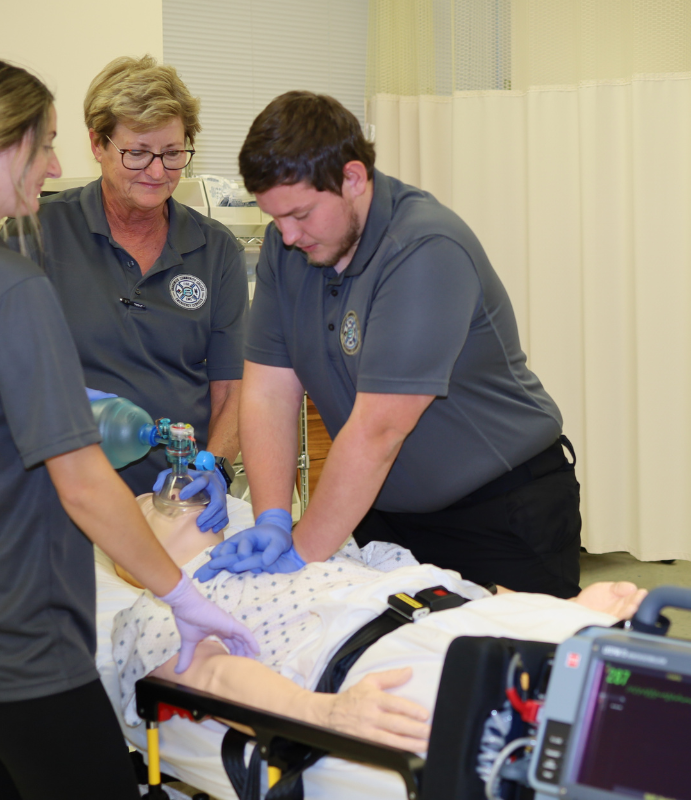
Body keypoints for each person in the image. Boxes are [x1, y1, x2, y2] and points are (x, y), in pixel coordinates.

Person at [0, 56, 258, 800]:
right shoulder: (11, 279)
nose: (56, 164)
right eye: (45, 146)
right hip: (18, 635)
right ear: (0, 151)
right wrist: (183, 597)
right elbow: (81, 484)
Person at [199, 91, 580, 596]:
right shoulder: (286, 249)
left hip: (500, 511)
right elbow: (269, 392)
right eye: (276, 218)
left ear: (353, 178)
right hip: (383, 513)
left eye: (302, 214)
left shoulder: (424, 248)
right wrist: (273, 517)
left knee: (509, 670)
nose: (287, 236)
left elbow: (378, 431)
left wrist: (301, 551)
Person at [107, 496, 644, 751]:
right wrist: (320, 713)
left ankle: (561, 622)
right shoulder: (160, 609)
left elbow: (450, 583)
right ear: (131, 561)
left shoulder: (311, 541)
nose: (179, 490)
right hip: (368, 657)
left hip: (464, 615)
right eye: (151, 500)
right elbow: (209, 679)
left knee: (652, 707)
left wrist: (547, 604)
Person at [28, 55, 248, 533]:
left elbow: (233, 388)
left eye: (173, 152)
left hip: (176, 503)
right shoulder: (40, 236)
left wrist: (215, 469)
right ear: (98, 144)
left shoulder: (215, 250)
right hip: (64, 505)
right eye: (138, 152)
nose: (157, 170)